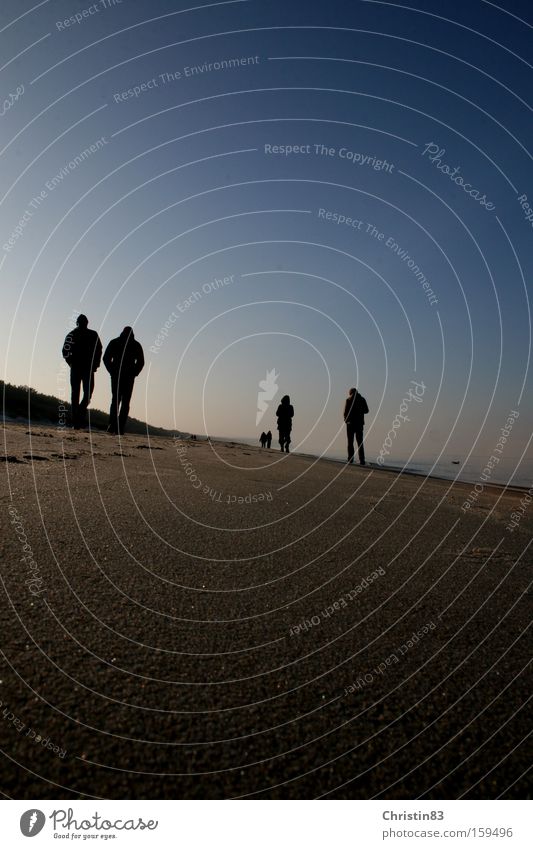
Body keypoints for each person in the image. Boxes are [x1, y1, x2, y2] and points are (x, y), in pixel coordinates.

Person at [62, 314, 102, 429]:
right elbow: (65, 351)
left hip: (88, 368)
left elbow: (99, 350)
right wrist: (71, 363)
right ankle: (76, 421)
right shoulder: (72, 334)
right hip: (78, 368)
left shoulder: (93, 334)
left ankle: (79, 414)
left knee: (86, 394)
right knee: (76, 394)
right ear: (78, 323)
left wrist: (95, 365)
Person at [103, 327, 145, 435]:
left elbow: (140, 362)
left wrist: (133, 373)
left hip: (123, 376)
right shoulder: (133, 344)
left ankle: (114, 426)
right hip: (121, 376)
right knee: (122, 402)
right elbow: (106, 358)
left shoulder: (117, 342)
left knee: (118, 401)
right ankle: (117, 427)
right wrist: (112, 371)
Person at [344, 387, 369, 465]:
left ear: (350, 393)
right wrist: (360, 411)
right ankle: (362, 460)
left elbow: (345, 412)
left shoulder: (348, 400)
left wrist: (346, 421)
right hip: (359, 424)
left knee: (350, 442)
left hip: (350, 424)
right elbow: (367, 410)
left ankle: (350, 459)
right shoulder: (362, 399)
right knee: (360, 443)